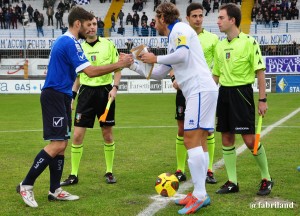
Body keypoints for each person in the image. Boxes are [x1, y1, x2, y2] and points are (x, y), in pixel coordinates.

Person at [16, 6, 133, 208]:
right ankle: (26, 184)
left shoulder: (72, 43)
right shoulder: (69, 42)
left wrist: (71, 96)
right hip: (54, 95)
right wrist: (119, 64)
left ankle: (55, 190)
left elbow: (80, 73)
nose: (90, 29)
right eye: (87, 25)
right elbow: (90, 72)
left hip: (62, 96)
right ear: (77, 23)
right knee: (58, 145)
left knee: (62, 146)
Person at [130, 2, 218, 214]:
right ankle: (200, 193)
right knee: (199, 140)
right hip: (201, 90)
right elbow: (160, 72)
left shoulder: (179, 29)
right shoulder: (175, 36)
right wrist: (132, 64)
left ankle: (199, 195)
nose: (154, 23)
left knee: (190, 139)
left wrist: (155, 57)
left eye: (156, 18)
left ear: (162, 17)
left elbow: (183, 55)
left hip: (199, 89)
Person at [213, 3, 273, 196]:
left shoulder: (249, 42)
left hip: (242, 94)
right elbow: (215, 75)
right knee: (227, 137)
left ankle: (267, 178)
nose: (218, 21)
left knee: (249, 140)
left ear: (232, 20)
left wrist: (262, 99)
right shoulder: (220, 46)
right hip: (224, 94)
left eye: (221, 18)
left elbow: (260, 72)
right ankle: (232, 182)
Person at [60, 17, 121, 186]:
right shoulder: (78, 47)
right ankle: (73, 174)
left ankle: (109, 171)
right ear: (83, 27)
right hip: (85, 93)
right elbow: (78, 77)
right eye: (89, 25)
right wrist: (72, 96)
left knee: (107, 134)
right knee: (77, 135)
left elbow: (117, 68)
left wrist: (115, 87)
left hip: (105, 92)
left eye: (95, 24)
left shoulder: (108, 45)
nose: (92, 27)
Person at [172, 2, 219, 184]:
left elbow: (218, 64)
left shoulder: (213, 39)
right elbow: (173, 62)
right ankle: (180, 169)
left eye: (201, 16)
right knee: (182, 129)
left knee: (206, 132)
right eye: (194, 16)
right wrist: (173, 79)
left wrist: (212, 84)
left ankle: (208, 170)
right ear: (188, 18)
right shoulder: (180, 36)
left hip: (203, 90)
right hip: (185, 89)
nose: (198, 19)